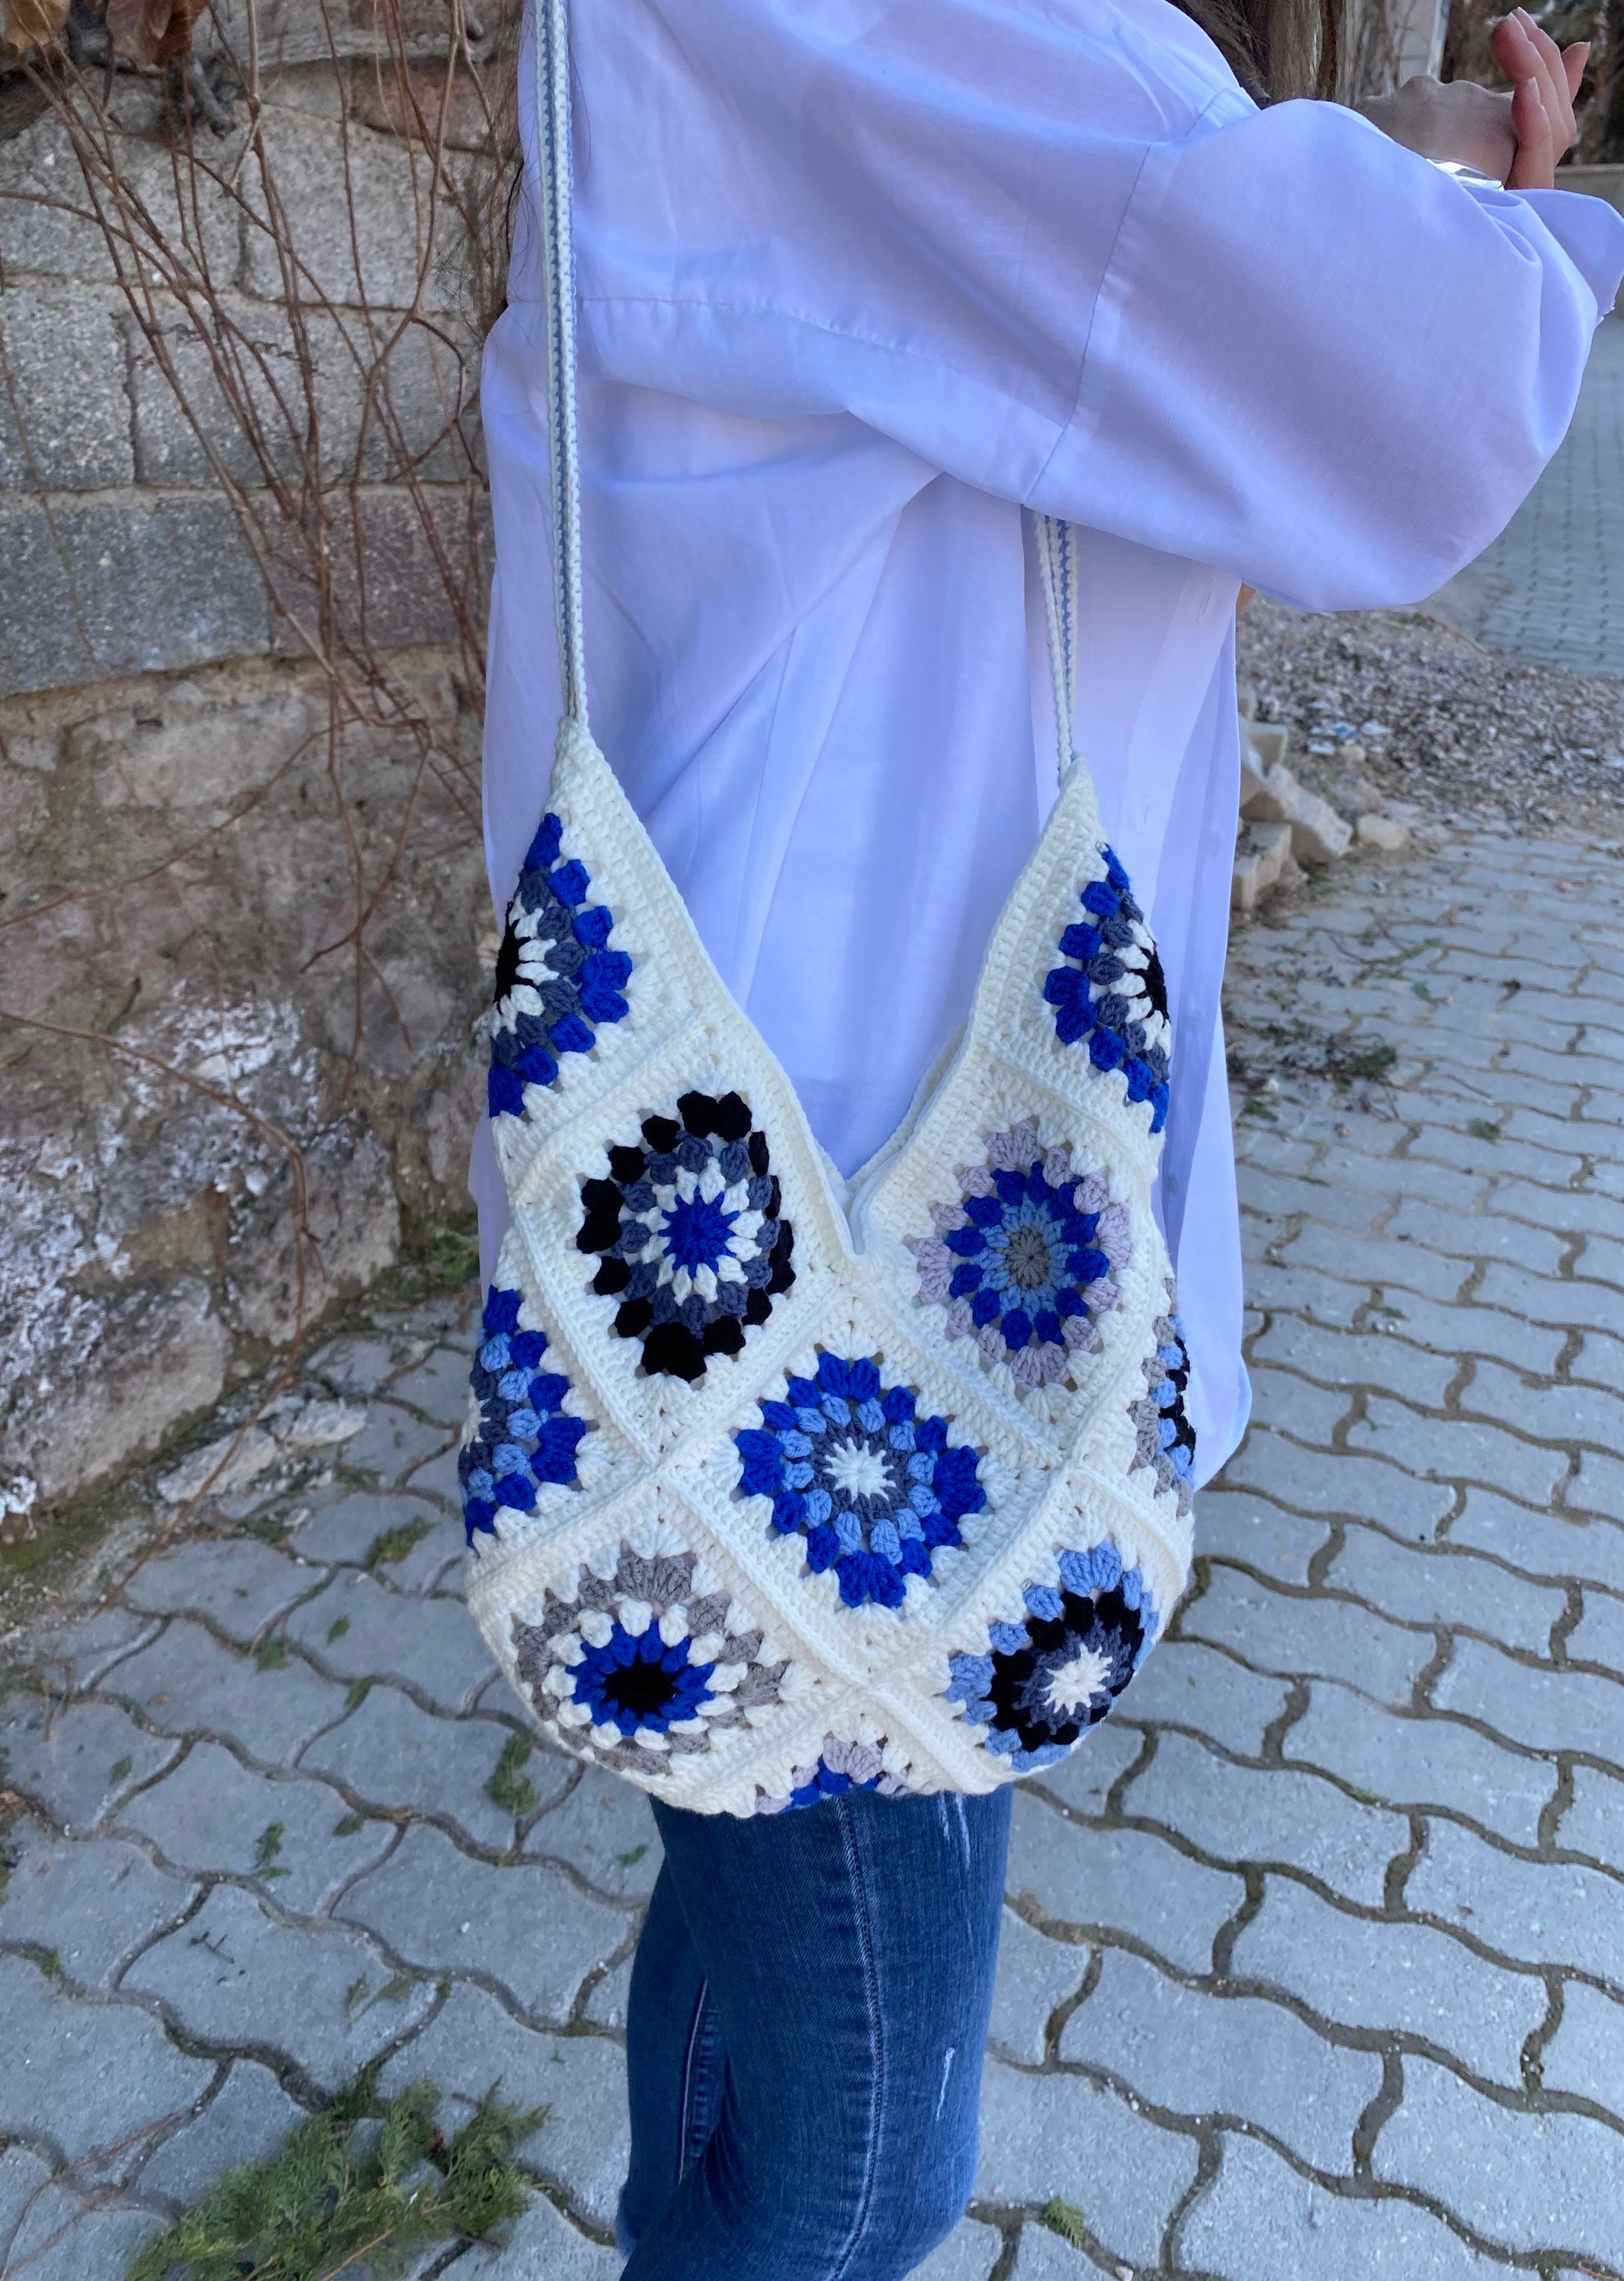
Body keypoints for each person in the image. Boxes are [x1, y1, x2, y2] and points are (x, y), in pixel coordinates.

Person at [470, 5, 1624, 2273]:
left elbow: (1117, 224)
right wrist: (1545, 225)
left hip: (714, 1178)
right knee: (865, 2158)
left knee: (741, 1855)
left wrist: (1373, 158)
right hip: (890, 1258)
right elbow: (1376, 376)